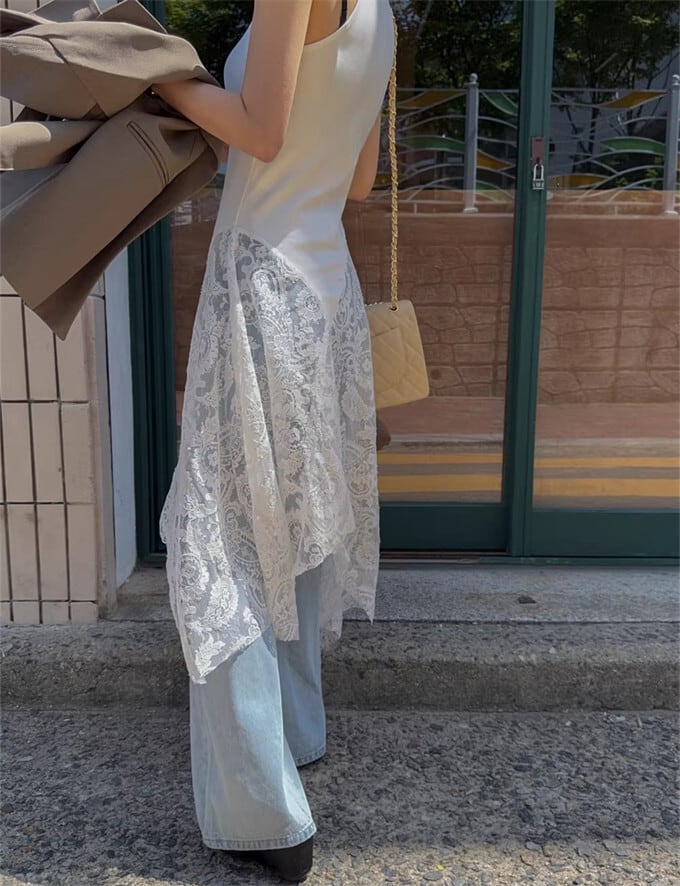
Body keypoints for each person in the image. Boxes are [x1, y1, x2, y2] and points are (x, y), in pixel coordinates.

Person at [153, 0, 394, 880]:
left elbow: (260, 130)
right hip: (324, 285)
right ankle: (295, 733)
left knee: (220, 542)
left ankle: (266, 816)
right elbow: (357, 178)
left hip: (260, 279)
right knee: (284, 532)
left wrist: (161, 79)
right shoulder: (384, 17)